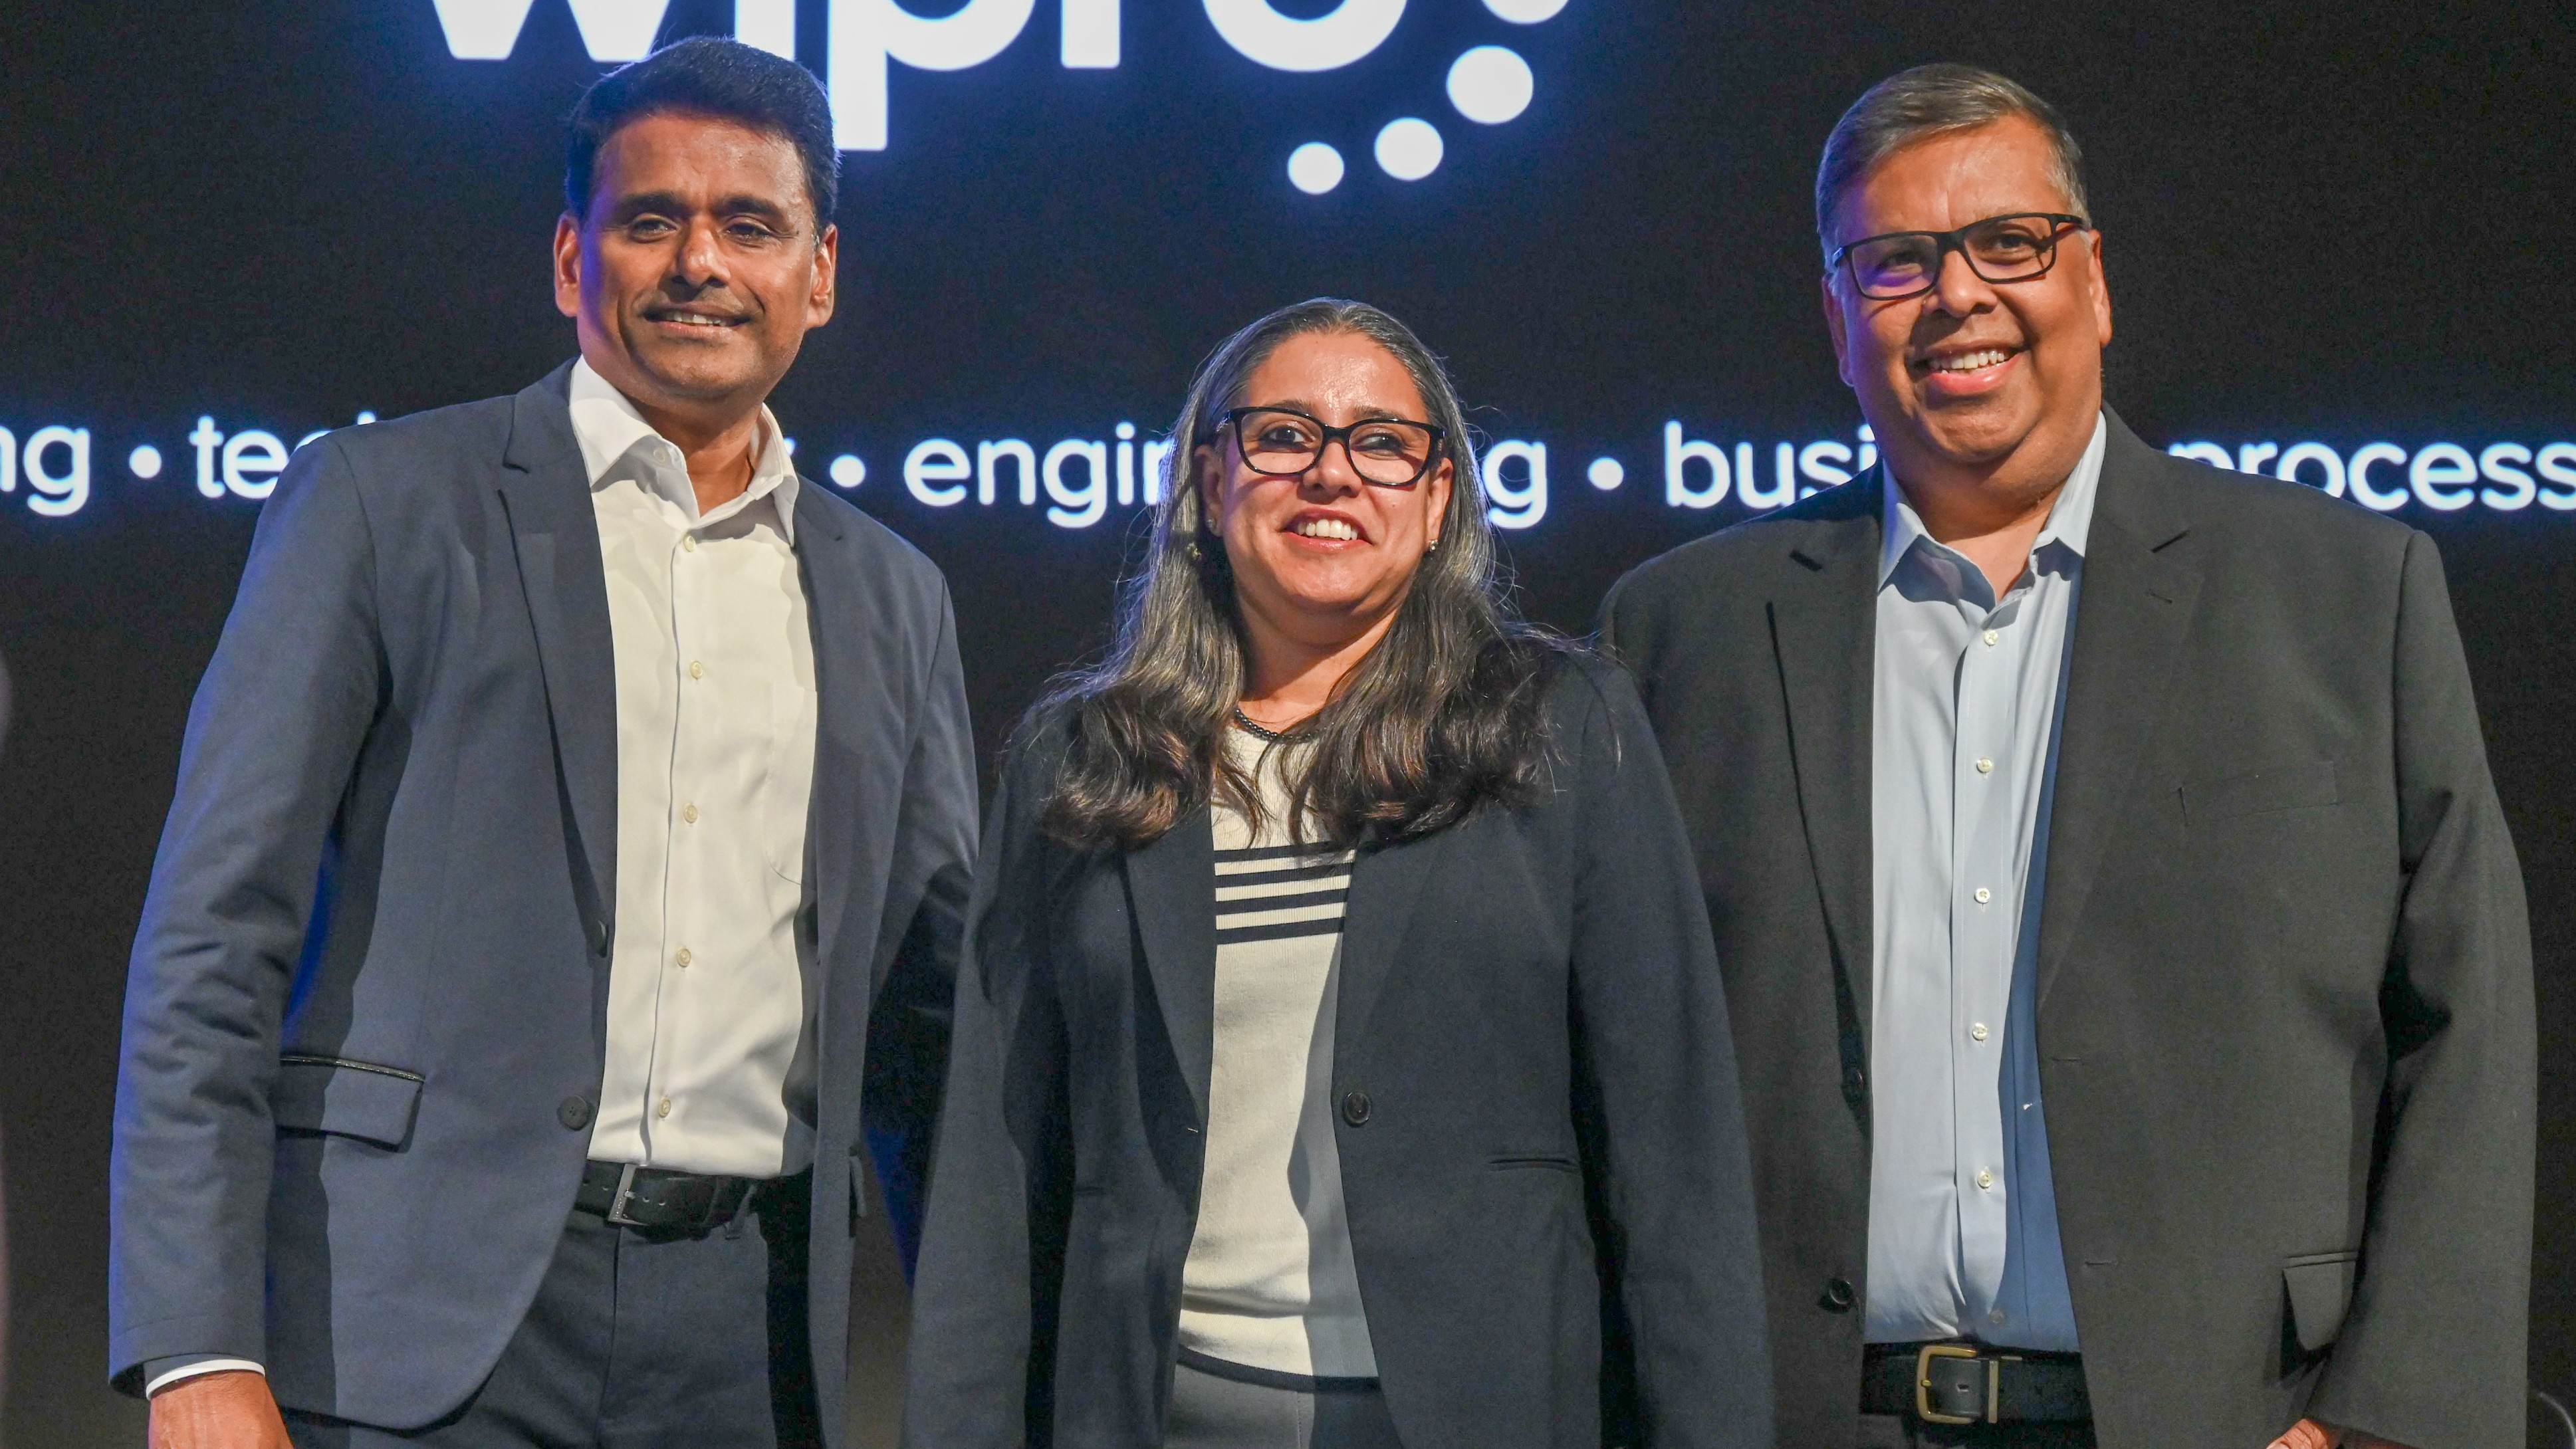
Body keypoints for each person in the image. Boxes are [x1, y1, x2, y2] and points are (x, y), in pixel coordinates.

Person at [1600, 63, 2535, 1449]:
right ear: (1839, 318)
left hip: (2227, 1419)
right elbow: (1608, 1057)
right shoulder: (1683, 630)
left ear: (2092, 281)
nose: (1958, 295)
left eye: (2008, 243)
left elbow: (2468, 1020)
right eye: (1897, 261)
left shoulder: (2343, 591)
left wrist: (2385, 1420)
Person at [109, 38, 978, 1449]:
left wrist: (989, 1371)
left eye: (751, 226)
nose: (702, 260)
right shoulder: (384, 503)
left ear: (819, 276)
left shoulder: (894, 595)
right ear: (573, 261)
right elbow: (214, 939)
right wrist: (195, 1345)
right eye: (653, 222)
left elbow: (928, 1033)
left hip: (751, 1341)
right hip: (411, 1319)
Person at [902, 298, 1770, 1448]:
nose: (1331, 475)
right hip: (1154, 1408)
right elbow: (995, 1169)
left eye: (1380, 443)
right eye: (1283, 437)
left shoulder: (1563, 728)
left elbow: (1674, 1160)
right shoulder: (1085, 758)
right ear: (1212, 483)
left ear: (1439, 495)